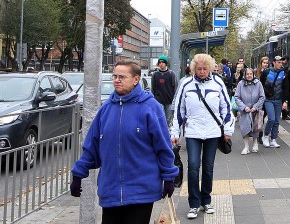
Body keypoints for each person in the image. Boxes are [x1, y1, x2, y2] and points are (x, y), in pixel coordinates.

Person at [70, 61, 178, 224]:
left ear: (136, 79)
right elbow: (92, 146)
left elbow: (163, 146)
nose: (116, 80)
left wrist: (169, 177)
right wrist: (78, 174)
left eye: (122, 77)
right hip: (111, 191)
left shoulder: (150, 107)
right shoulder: (106, 109)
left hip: (141, 191)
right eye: (115, 76)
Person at [171, 54, 234, 220]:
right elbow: (178, 109)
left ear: (210, 68)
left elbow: (226, 108)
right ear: (193, 69)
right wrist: (175, 132)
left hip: (213, 132)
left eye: (205, 68)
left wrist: (228, 129)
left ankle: (206, 200)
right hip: (193, 132)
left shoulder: (218, 82)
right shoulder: (186, 83)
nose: (201, 71)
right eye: (198, 69)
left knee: (208, 167)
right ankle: (193, 203)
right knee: (193, 166)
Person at [234, 67, 266, 154]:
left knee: (255, 127)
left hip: (255, 110)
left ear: (253, 74)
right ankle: (246, 146)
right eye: (247, 74)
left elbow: (262, 97)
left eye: (250, 74)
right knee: (245, 128)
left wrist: (256, 106)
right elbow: (237, 97)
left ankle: (255, 144)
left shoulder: (258, 83)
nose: (249, 76)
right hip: (245, 111)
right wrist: (244, 107)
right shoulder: (240, 84)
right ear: (244, 75)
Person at [259, 55, 288, 148]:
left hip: (278, 99)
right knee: (271, 119)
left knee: (276, 121)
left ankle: (274, 139)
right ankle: (266, 135)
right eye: (278, 62)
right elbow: (261, 85)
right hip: (268, 99)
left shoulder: (283, 73)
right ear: (274, 62)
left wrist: (286, 101)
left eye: (281, 62)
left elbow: (286, 87)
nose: (280, 64)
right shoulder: (266, 72)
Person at [151, 55, 178, 126]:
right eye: (159, 62)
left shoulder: (171, 74)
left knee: (168, 119)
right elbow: (153, 88)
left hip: (169, 100)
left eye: (163, 62)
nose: (161, 64)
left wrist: (175, 100)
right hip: (159, 100)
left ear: (166, 63)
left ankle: (167, 132)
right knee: (161, 117)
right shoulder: (155, 75)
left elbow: (175, 87)